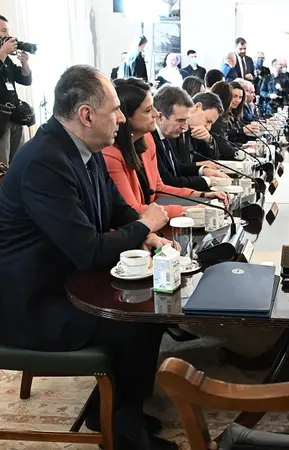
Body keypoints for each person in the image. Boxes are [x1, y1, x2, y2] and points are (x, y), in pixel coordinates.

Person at [0, 65, 176, 450]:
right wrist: (145, 223)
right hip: (32, 305)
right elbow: (88, 250)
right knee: (135, 323)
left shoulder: (82, 147)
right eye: (115, 110)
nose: (121, 118)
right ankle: (122, 432)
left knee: (153, 309)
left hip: (66, 282)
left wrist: (147, 233)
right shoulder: (45, 161)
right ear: (86, 114)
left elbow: (115, 207)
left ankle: (118, 410)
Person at [102, 78, 224, 219]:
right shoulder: (111, 154)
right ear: (126, 116)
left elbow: (159, 188)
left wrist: (201, 195)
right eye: (148, 110)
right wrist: (189, 210)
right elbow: (134, 211)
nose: (156, 114)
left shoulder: (147, 139)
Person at [152, 85, 228, 192]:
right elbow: (169, 181)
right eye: (180, 120)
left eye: (186, 120)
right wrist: (208, 181)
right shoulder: (154, 137)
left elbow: (177, 168)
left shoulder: (167, 132)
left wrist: (203, 170)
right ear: (160, 118)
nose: (184, 126)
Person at [0, 14, 33, 166]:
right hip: (1, 122)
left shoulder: (6, 60)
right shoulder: (3, 56)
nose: (8, 35)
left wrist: (25, 65)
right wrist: (2, 53)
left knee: (18, 163)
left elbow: (25, 80)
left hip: (15, 117)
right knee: (3, 166)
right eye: (3, 31)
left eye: (8, 31)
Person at [188, 91, 225, 161]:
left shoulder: (196, 132)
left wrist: (209, 140)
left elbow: (214, 159)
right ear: (197, 107)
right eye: (208, 121)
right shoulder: (173, 129)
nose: (208, 128)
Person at [209, 81, 238, 159]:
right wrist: (240, 152)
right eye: (233, 97)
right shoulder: (216, 118)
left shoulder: (222, 116)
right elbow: (224, 148)